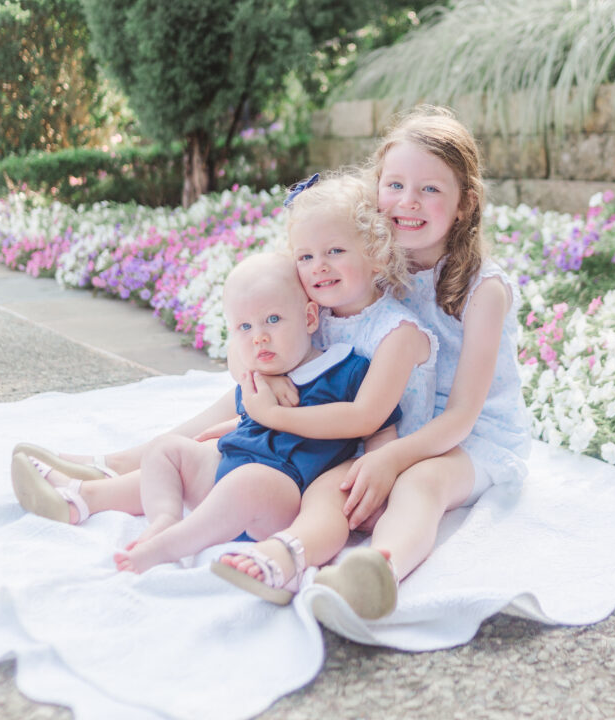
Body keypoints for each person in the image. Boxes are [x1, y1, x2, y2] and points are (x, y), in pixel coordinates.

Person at [11, 175, 436, 577]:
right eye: (306, 257)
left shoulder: (370, 351)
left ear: (376, 253)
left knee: (244, 484)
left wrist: (375, 475)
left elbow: (372, 424)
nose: (318, 267)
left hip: (285, 484)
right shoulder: (312, 306)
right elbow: (247, 339)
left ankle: (170, 544)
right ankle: (95, 501)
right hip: (241, 456)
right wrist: (259, 379)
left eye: (335, 252)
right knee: (169, 451)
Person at [214, 106, 531, 619]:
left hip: (468, 437)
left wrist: (388, 458)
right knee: (302, 462)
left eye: (430, 189)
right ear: (376, 187)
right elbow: (274, 311)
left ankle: (380, 568)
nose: (408, 202)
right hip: (389, 417)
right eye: (395, 184)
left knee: (418, 483)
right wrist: (254, 372)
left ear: (465, 203)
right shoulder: (373, 258)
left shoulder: (483, 289)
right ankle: (282, 554)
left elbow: (464, 417)